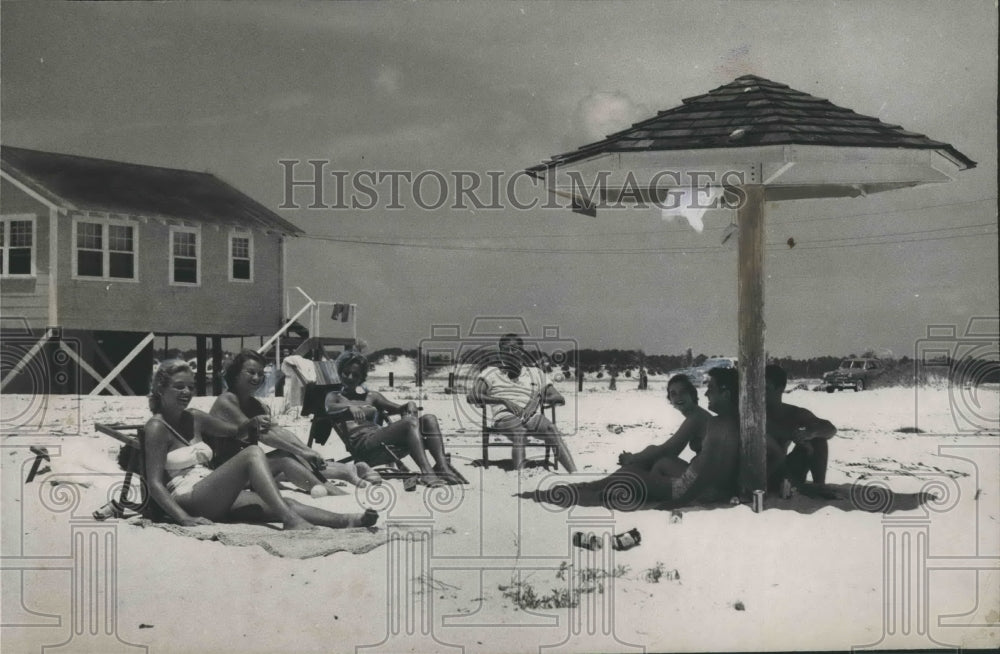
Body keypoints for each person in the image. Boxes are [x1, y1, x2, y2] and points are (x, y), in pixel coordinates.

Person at [143, 360, 378, 529]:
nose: (186, 392)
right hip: (188, 497)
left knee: (283, 502)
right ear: (161, 389)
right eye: (179, 386)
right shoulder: (156, 427)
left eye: (190, 387)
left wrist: (251, 422)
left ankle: (348, 520)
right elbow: (154, 484)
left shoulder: (194, 416)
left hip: (212, 490)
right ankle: (290, 522)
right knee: (253, 453)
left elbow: (235, 431)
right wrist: (183, 519)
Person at [207, 350, 382, 497]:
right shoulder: (227, 401)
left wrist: (307, 451)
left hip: (248, 467)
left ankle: (343, 473)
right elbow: (265, 435)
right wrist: (301, 451)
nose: (257, 377)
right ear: (236, 373)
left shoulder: (255, 405)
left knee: (293, 456)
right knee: (287, 456)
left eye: (260, 373)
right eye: (251, 372)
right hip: (225, 473)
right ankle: (332, 488)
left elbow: (278, 431)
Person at [598, 367, 740, 508]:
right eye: (673, 394)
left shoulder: (696, 418)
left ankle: (648, 496)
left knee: (660, 462)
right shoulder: (697, 416)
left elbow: (669, 449)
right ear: (669, 399)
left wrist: (633, 458)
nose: (678, 397)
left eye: (683, 392)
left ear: (692, 394)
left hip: (705, 481)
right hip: (706, 476)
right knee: (656, 458)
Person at [324, 351, 465, 487]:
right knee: (410, 422)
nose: (350, 377)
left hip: (381, 437)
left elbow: (399, 409)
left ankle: (442, 467)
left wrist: (409, 404)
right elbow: (329, 408)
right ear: (340, 373)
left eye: (355, 375)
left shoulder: (372, 396)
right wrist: (349, 406)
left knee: (429, 419)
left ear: (361, 378)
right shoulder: (335, 396)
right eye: (346, 373)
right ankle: (427, 472)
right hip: (364, 444)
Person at [468, 334, 578, 472]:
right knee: (519, 430)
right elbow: (472, 396)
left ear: (521, 352)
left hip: (531, 414)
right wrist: (503, 401)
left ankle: (574, 473)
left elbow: (557, 397)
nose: (510, 354)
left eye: (515, 349)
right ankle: (519, 473)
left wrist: (537, 398)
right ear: (500, 353)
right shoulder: (491, 372)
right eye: (505, 350)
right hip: (504, 415)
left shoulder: (535, 373)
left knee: (552, 429)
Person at [765, 364, 837, 488]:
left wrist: (811, 432)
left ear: (780, 388)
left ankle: (819, 486)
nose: (761, 393)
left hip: (781, 473)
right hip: (756, 472)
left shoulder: (791, 413)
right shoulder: (752, 414)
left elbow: (830, 429)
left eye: (766, 389)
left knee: (818, 439)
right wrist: (790, 433)